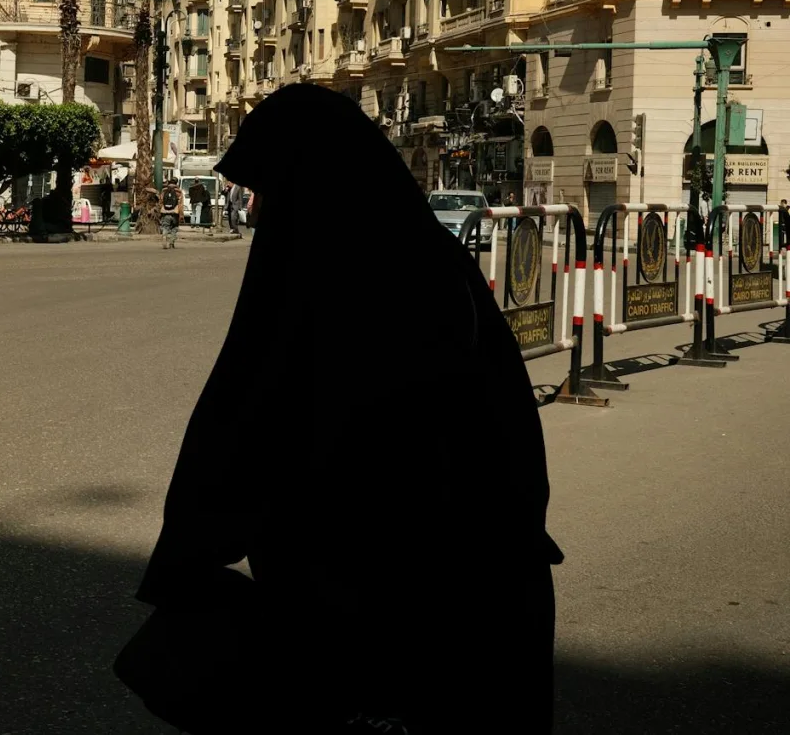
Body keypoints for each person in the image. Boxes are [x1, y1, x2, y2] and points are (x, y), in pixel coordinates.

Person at [119, 84, 558, 734]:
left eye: (269, 190)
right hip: (481, 599)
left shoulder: (330, 281)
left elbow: (248, 424)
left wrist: (190, 556)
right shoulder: (429, 260)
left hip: (388, 622)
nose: (261, 212)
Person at [159, 178, 184, 250]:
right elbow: (181, 205)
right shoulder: (179, 192)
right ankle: (171, 243)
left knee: (165, 226)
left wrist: (161, 211)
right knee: (174, 228)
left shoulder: (164, 191)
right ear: (177, 183)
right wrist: (181, 215)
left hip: (165, 212)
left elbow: (160, 202)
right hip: (175, 213)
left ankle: (164, 235)